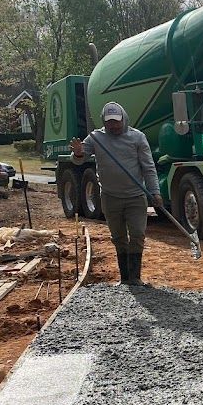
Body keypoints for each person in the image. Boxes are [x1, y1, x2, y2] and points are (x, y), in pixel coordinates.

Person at [70, 101, 162, 286]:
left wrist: (155, 192)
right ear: (104, 121)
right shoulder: (95, 138)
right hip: (110, 197)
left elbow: (149, 168)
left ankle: (135, 277)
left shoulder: (137, 138)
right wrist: (78, 153)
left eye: (117, 122)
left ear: (124, 119)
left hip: (136, 196)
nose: (114, 126)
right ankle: (125, 279)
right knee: (118, 237)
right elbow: (79, 160)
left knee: (137, 234)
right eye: (110, 122)